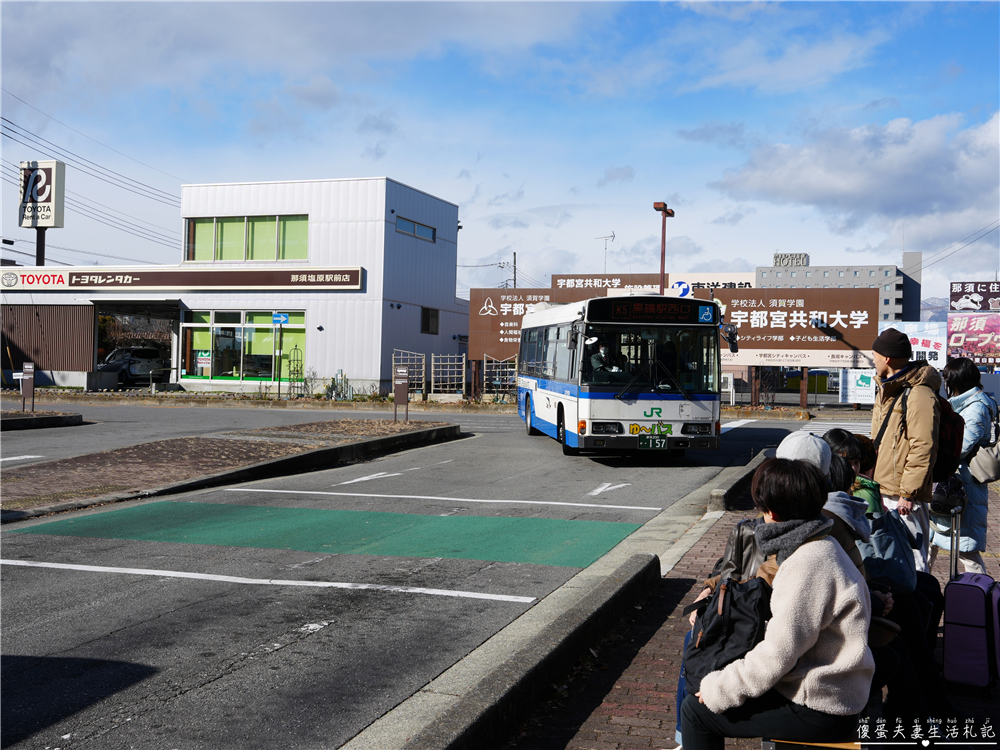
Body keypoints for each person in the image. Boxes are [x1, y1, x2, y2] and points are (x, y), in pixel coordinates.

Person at [680, 458, 874, 750]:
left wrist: (717, 689)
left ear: (770, 511)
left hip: (821, 703)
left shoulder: (806, 563)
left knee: (696, 711)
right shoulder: (825, 544)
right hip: (836, 690)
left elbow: (777, 655)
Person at [870, 328, 940, 573]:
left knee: (914, 560)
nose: (873, 360)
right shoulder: (889, 389)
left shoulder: (919, 393)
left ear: (887, 358)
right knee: (893, 558)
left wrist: (908, 494)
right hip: (886, 488)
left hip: (905, 496)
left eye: (875, 355)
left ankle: (921, 608)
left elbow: (924, 446)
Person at [929, 357, 997, 575]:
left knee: (966, 548)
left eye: (948, 380)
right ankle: (921, 588)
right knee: (931, 542)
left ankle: (981, 595)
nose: (945, 385)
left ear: (957, 382)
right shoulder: (967, 404)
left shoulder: (976, 407)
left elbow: (961, 447)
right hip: (954, 483)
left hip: (964, 486)